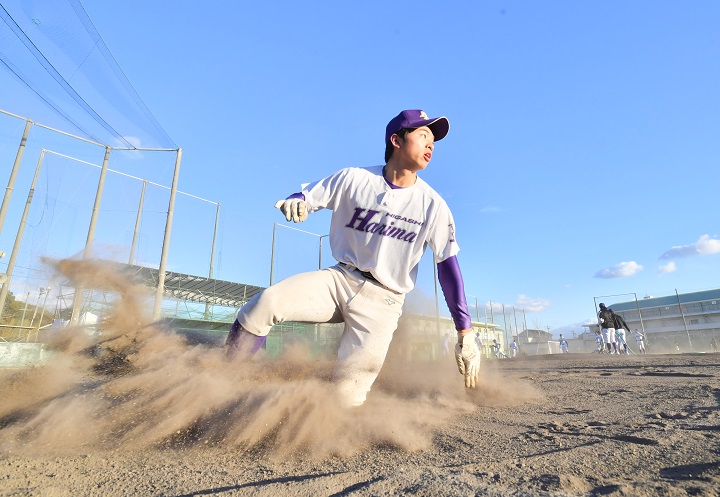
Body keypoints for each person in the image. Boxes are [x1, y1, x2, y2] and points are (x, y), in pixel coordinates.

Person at [225, 109, 479, 407]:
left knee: (345, 399)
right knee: (265, 303)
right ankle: (224, 382)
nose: (431, 144)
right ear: (396, 140)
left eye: (433, 139)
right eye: (423, 134)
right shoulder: (355, 178)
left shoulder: (434, 206)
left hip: (384, 303)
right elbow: (308, 195)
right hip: (339, 280)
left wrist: (466, 332)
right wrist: (298, 200)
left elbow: (448, 268)